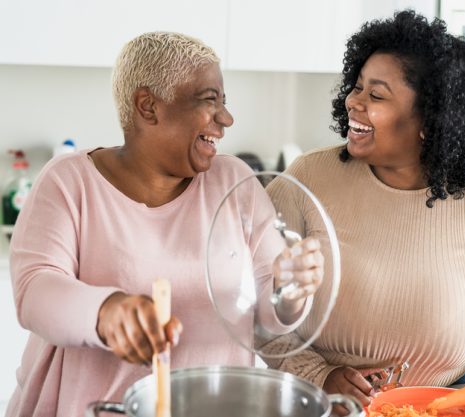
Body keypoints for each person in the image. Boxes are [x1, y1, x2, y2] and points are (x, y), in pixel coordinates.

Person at [7, 32, 324, 416]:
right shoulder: (69, 181)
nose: (226, 119)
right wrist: (107, 311)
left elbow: (271, 317)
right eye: (209, 101)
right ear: (148, 107)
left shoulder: (234, 181)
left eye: (224, 102)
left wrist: (289, 287)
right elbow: (36, 292)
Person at [264, 10, 465, 414]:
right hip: (328, 402)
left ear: (429, 122)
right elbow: (257, 300)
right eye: (358, 87)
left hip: (454, 401)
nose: (354, 101)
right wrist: (319, 374)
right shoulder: (308, 179)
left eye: (376, 95)